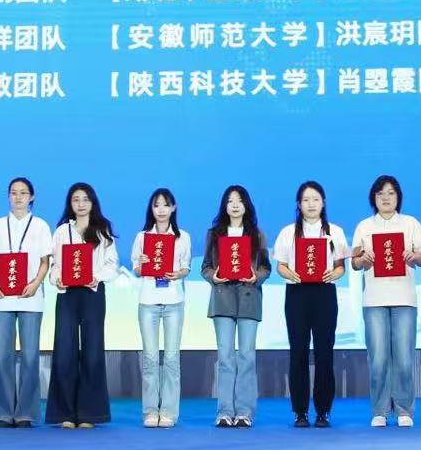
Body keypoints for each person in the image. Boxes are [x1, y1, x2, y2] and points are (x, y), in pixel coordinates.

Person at [349, 174, 421, 428]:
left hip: (404, 299)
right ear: (373, 198)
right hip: (374, 300)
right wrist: (362, 260)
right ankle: (380, 410)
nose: (386, 198)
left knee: (404, 358)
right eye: (380, 193)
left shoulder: (410, 223)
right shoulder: (364, 226)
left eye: (391, 193)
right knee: (379, 358)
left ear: (398, 197)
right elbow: (354, 262)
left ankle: (404, 409)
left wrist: (413, 256)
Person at [274, 180, 348, 428]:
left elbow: (341, 266)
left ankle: (323, 410)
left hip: (324, 293)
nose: (311, 204)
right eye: (306, 200)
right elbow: (280, 265)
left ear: (323, 203)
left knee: (324, 351)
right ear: (299, 204)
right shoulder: (288, 232)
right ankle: (300, 411)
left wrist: (334, 274)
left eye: (315, 199)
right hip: (296, 293)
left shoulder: (334, 232)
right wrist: (289, 273)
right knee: (298, 352)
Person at [47, 182, 118, 428]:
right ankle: (64, 413)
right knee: (64, 350)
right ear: (70, 204)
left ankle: (90, 414)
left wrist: (96, 276)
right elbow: (55, 266)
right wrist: (57, 278)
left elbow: (112, 265)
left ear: (93, 202)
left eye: (85, 199)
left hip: (92, 293)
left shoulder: (102, 230)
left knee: (92, 350)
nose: (81, 204)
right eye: (76, 199)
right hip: (67, 294)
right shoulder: (61, 232)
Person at [0, 176, 54, 427]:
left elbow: (46, 261)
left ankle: (26, 412)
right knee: (3, 356)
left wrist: (35, 284)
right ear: (8, 196)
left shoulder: (41, 225)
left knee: (30, 356)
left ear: (31, 197)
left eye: (23, 193)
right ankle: (3, 413)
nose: (18, 197)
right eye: (13, 193)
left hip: (30, 297)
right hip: (2, 298)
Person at [202, 184, 270, 427]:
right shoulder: (214, 234)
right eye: (230, 201)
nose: (234, 205)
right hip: (222, 298)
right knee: (225, 357)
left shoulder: (257, 234)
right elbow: (206, 267)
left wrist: (255, 276)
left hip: (249, 298)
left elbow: (266, 268)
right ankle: (224, 411)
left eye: (239, 200)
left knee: (247, 356)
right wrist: (214, 276)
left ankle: (244, 411)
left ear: (246, 205)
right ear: (224, 205)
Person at [130, 187, 189, 428]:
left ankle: (169, 412)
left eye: (166, 204)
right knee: (150, 358)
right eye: (157, 205)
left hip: (174, 301)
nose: (161, 209)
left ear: (173, 208)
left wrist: (178, 273)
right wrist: (142, 264)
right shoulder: (142, 237)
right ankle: (150, 411)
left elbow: (186, 267)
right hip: (148, 301)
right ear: (151, 209)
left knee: (172, 358)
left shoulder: (182, 237)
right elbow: (136, 269)